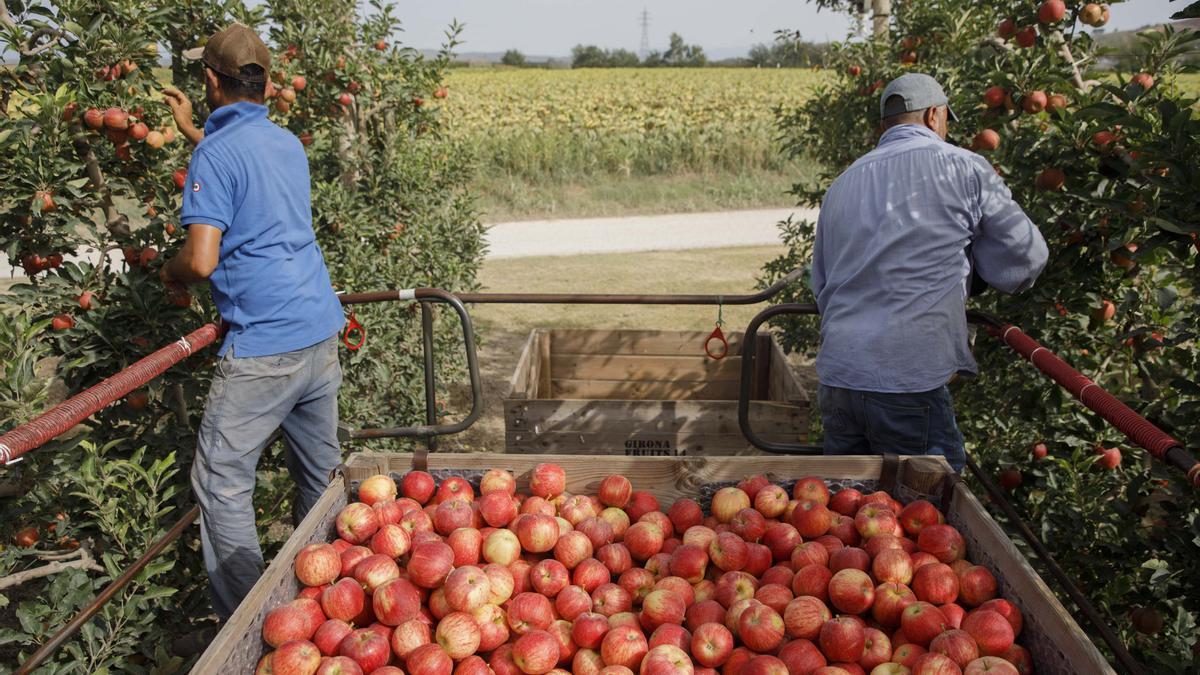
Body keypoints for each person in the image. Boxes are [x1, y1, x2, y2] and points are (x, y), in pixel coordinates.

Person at [159, 23, 346, 625]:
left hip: (264, 343)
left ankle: (253, 626)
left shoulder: (215, 155)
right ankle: (326, 600)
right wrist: (194, 131)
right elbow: (244, 168)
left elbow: (202, 258)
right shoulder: (284, 143)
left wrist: (171, 271)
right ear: (263, 85)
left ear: (211, 79)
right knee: (320, 477)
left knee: (220, 484)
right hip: (319, 329)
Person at [809, 73, 1048, 472]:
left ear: (886, 124)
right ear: (935, 115)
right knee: (928, 512)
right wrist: (980, 269)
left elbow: (822, 283)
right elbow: (1026, 259)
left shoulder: (843, 182)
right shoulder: (963, 167)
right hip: (906, 377)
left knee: (848, 519)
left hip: (840, 377)